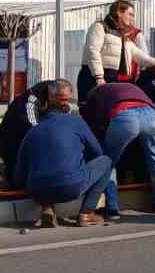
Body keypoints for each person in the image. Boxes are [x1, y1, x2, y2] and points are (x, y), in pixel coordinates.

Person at [13, 80, 111, 228]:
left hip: (37, 190)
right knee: (106, 161)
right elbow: (98, 153)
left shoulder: (32, 131)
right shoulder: (76, 122)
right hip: (70, 187)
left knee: (44, 171)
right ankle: (86, 213)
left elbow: (19, 176)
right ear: (68, 101)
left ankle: (47, 207)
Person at [81, 81, 155, 214]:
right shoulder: (126, 87)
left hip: (124, 116)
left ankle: (112, 208)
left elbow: (90, 124)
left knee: (108, 161)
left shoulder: (95, 96)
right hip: (152, 115)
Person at [0, 79, 71, 186]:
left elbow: (67, 124)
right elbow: (35, 129)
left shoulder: (58, 102)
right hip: (12, 143)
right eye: (62, 100)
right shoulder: (29, 102)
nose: (66, 104)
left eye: (67, 99)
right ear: (52, 96)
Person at [79, 0, 155, 101]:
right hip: (94, 78)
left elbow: (142, 57)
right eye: (130, 14)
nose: (132, 18)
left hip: (112, 79)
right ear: (119, 12)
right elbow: (93, 51)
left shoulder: (123, 36)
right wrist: (99, 77)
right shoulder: (99, 27)